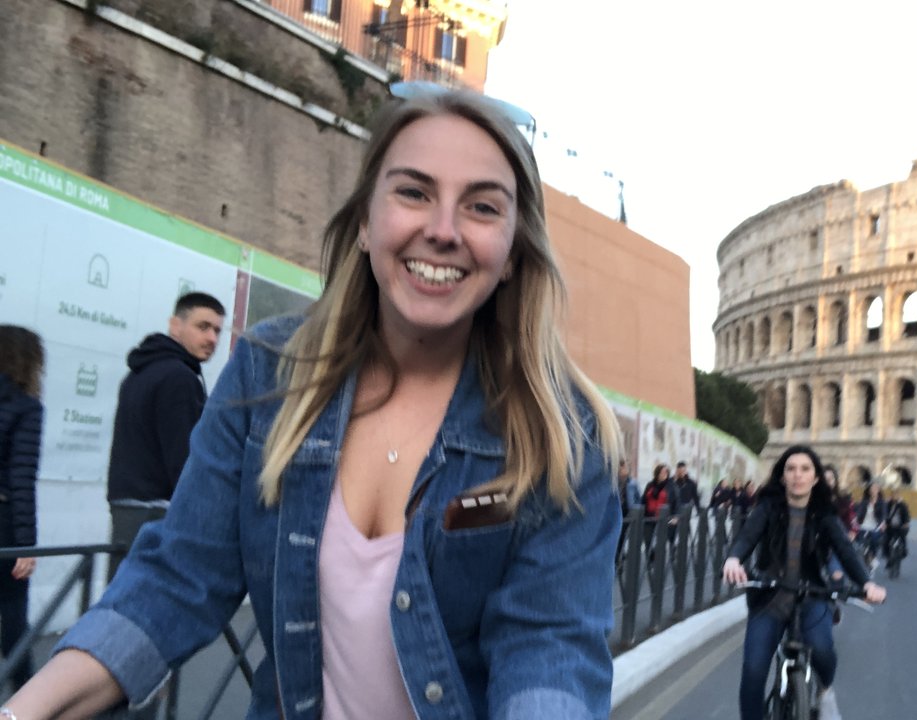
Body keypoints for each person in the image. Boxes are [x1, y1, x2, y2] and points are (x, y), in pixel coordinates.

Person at [5, 87, 623, 719]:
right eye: (412, 192)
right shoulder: (270, 372)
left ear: (515, 250)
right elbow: (177, 578)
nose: (442, 231)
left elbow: (549, 654)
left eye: (482, 207)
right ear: (364, 222)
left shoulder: (564, 433)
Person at [722, 445, 886, 720]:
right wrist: (734, 559)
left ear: (816, 478)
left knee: (823, 651)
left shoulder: (825, 514)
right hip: (769, 599)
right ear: (783, 476)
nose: (798, 475)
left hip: (812, 596)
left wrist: (866, 583)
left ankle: (825, 691)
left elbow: (845, 549)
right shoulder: (767, 508)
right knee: (753, 672)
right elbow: (747, 537)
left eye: (805, 469)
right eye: (791, 469)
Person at [106, 291, 226, 581]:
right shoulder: (179, 378)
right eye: (203, 326)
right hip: (156, 511)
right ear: (175, 325)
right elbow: (184, 457)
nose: (212, 338)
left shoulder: (138, 372)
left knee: (121, 601)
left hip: (126, 504)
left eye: (217, 330)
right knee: (150, 607)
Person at [0, 326, 44, 692]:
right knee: (14, 614)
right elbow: (21, 477)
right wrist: (27, 546)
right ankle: (28, 699)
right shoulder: (26, 406)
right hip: (4, 523)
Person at [642, 463, 679, 550]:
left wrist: (676, 517)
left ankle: (662, 558)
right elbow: (644, 499)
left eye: (666, 472)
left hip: (664, 518)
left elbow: (677, 502)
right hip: (649, 517)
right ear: (657, 473)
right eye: (662, 472)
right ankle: (650, 558)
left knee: (661, 541)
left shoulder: (671, 486)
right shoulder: (650, 485)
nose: (664, 474)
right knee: (648, 540)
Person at [853, 482, 886, 558]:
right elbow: (859, 511)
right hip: (863, 525)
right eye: (872, 489)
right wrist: (855, 519)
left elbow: (883, 514)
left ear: (878, 490)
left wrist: (882, 522)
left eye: (875, 489)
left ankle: (872, 556)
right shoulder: (864, 501)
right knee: (859, 542)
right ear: (869, 491)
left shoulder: (882, 502)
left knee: (874, 540)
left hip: (875, 526)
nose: (873, 490)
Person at [884, 487, 910, 559]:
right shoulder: (888, 504)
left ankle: (904, 550)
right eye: (893, 495)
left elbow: (906, 515)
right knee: (886, 539)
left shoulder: (903, 505)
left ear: (898, 496)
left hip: (901, 526)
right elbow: (884, 514)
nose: (894, 497)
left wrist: (906, 523)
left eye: (896, 495)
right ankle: (887, 555)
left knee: (903, 537)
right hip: (890, 526)